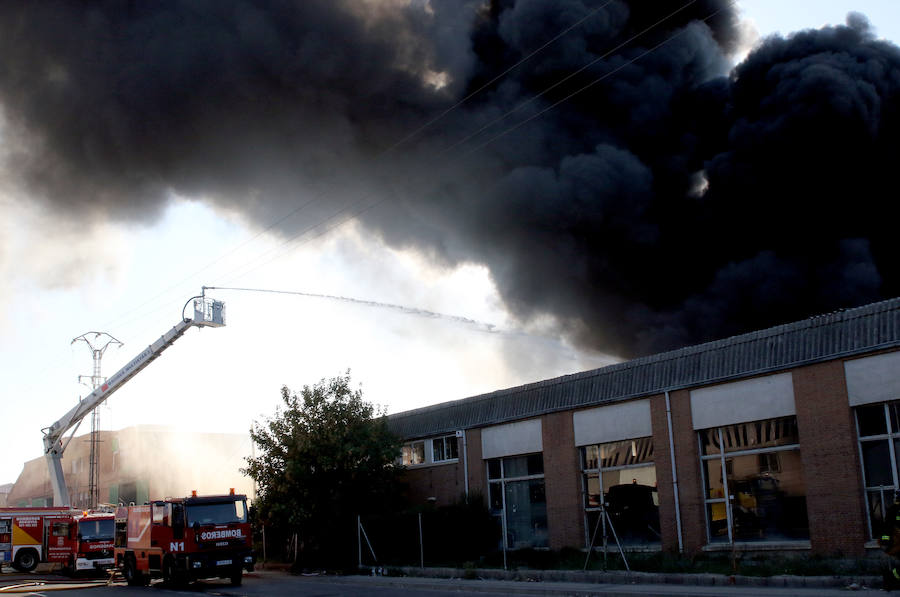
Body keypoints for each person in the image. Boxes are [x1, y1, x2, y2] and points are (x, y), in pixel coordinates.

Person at [880, 491, 900, 591]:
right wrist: (886, 542)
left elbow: (887, 527)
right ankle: (891, 582)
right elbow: (887, 527)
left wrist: (886, 543)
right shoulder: (893, 510)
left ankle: (891, 582)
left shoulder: (892, 509)